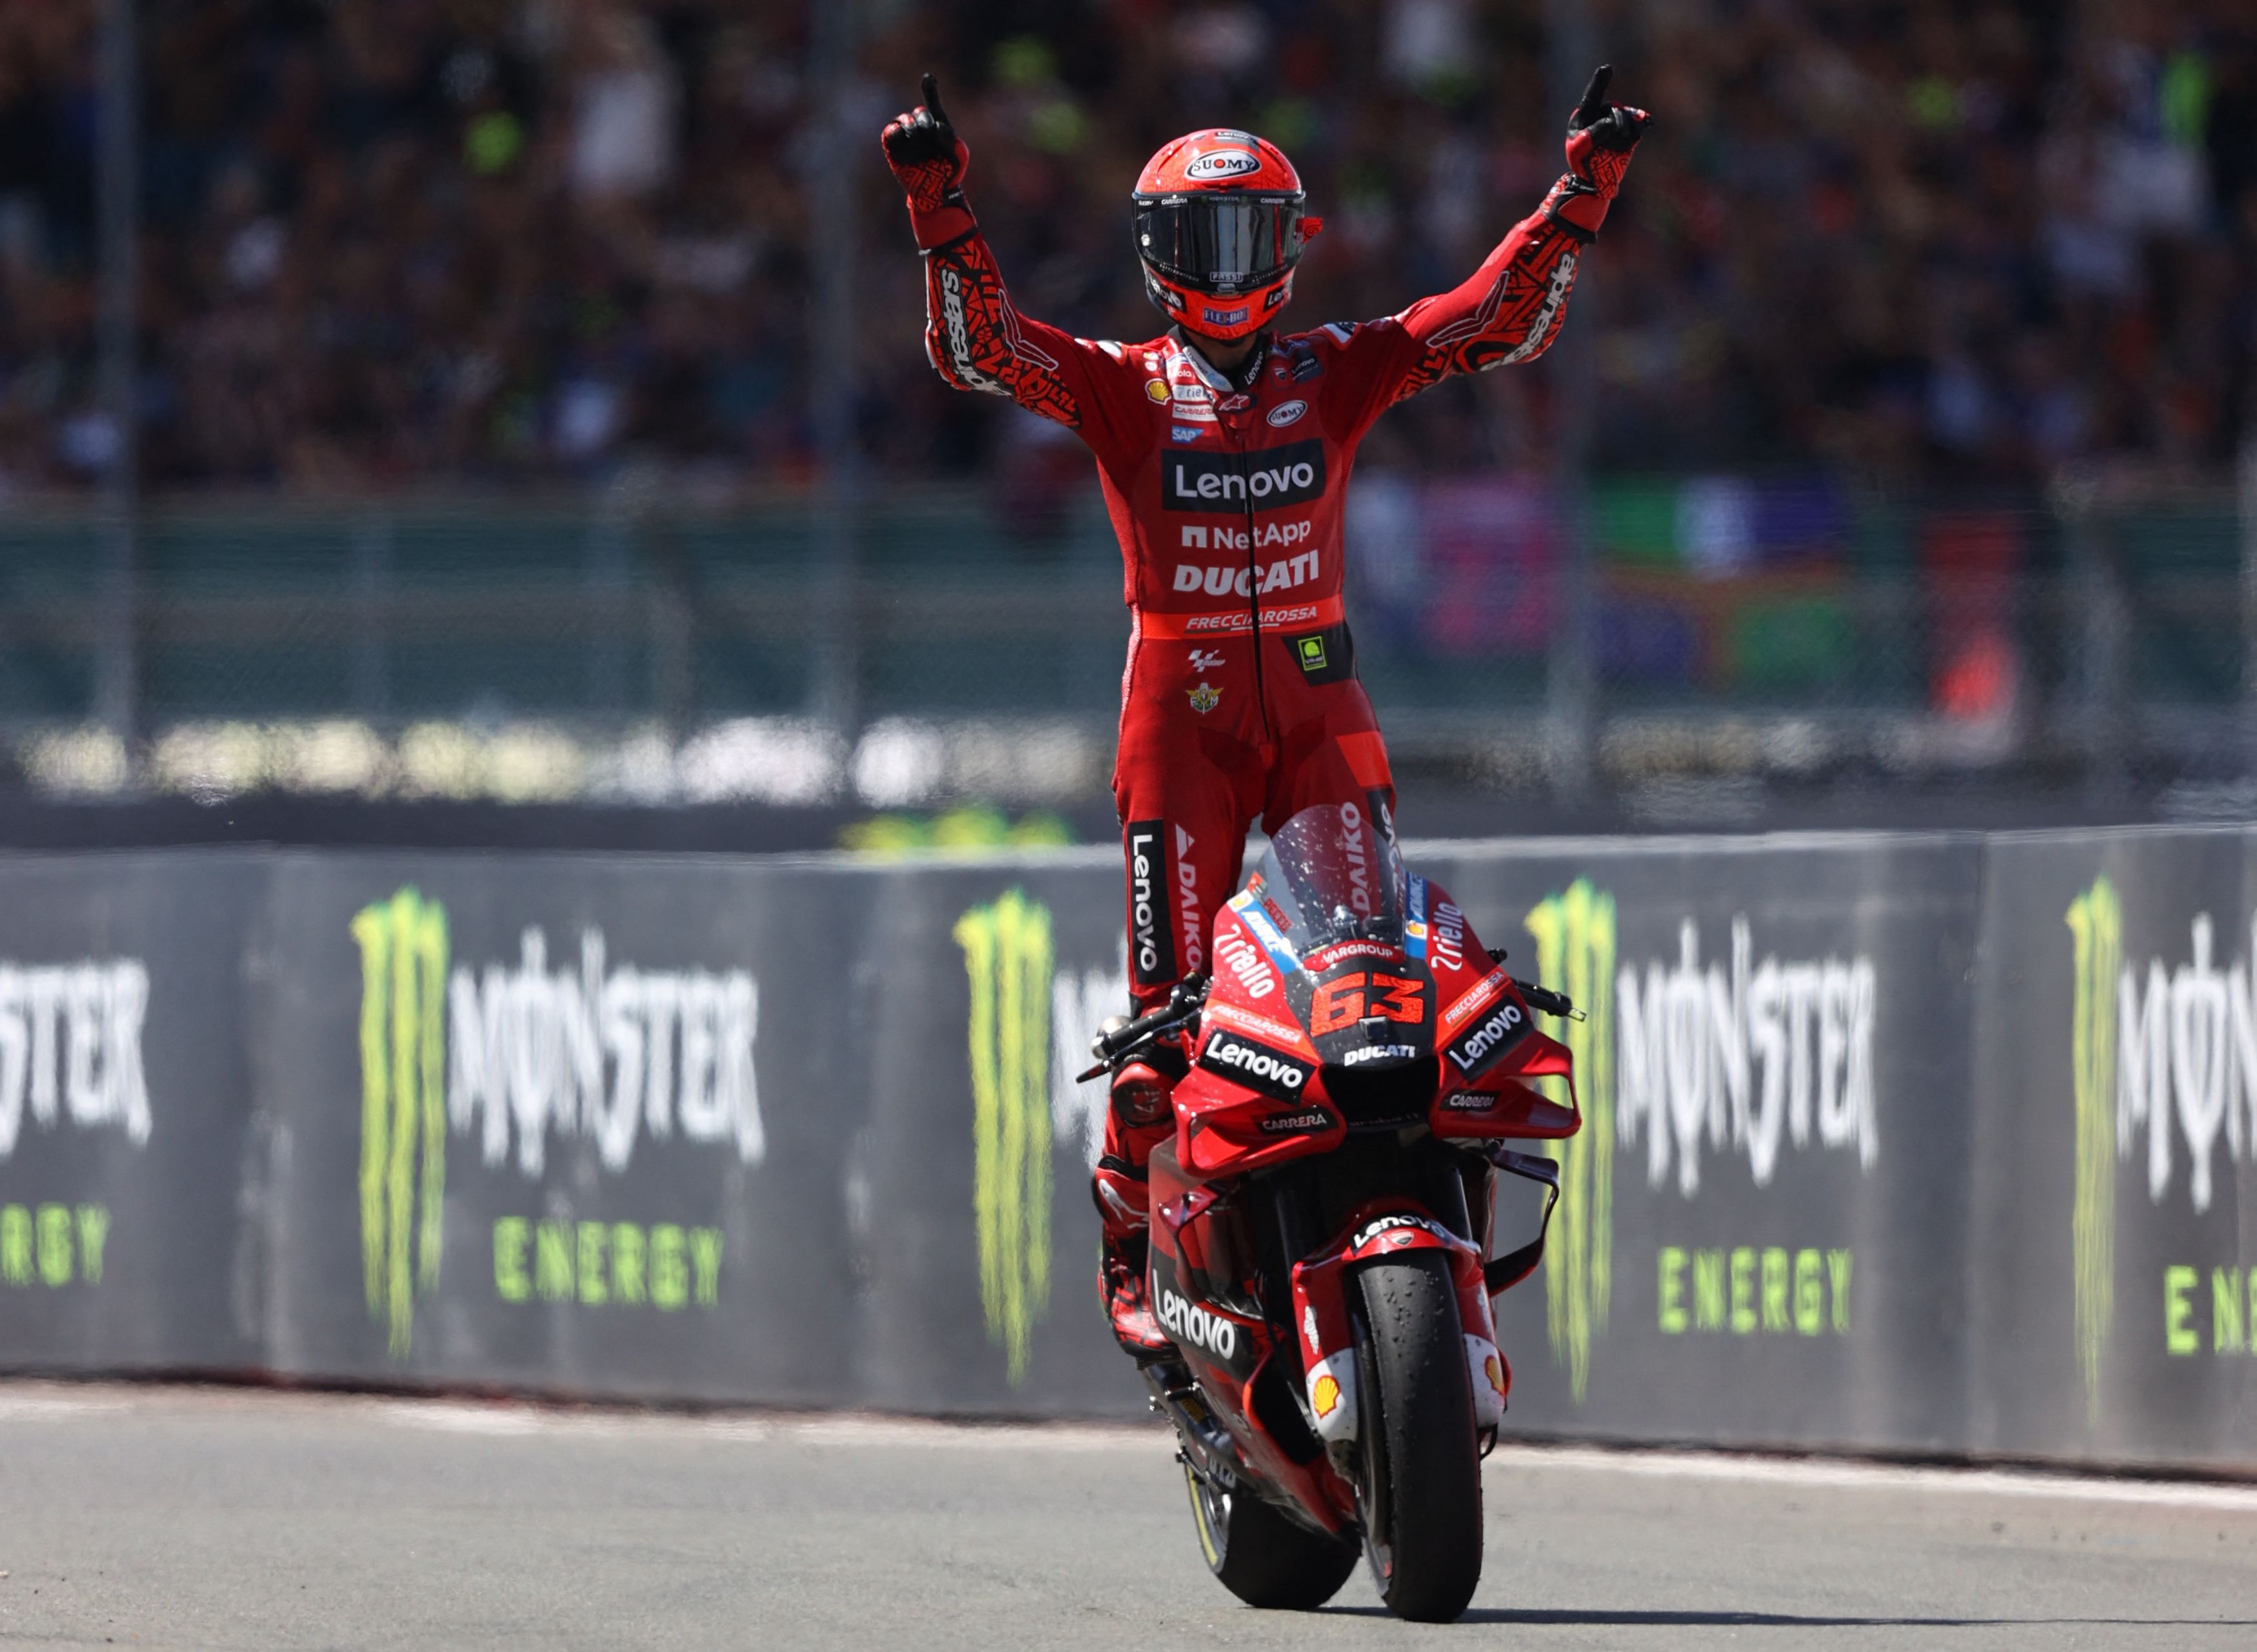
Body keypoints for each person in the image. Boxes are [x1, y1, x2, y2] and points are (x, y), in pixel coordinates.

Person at [882, 69, 1647, 1359]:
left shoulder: (1336, 369)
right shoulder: (1121, 385)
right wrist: (937, 209)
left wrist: (1581, 194)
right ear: (1153, 255)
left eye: (1246, 235)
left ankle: (1412, 1251)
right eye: (1197, 239)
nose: (1223, 265)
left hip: (1320, 715)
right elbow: (978, 349)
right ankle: (1132, 1246)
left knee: (1378, 981)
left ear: (1291, 248)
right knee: (1159, 1029)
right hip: (1175, 727)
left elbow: (1491, 323)